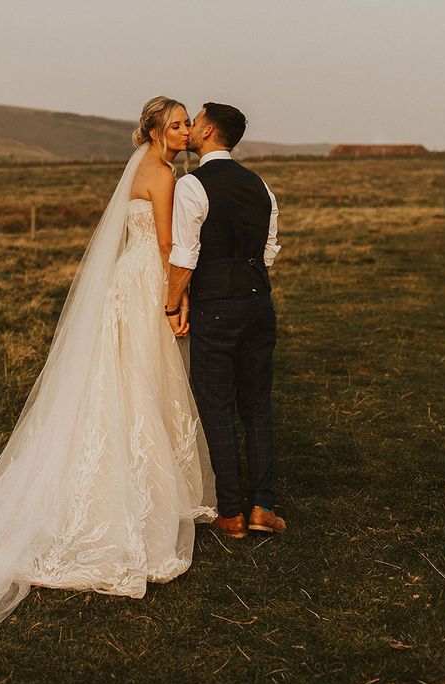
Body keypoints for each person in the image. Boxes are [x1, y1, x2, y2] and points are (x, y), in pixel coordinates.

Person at [0, 97, 216, 633]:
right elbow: (166, 244)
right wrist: (177, 300)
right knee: (143, 380)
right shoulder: (161, 175)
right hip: (147, 281)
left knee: (121, 379)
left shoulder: (140, 167)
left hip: (125, 277)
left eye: (189, 125)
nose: (187, 132)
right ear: (159, 132)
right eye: (180, 125)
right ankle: (137, 494)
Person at [166, 102, 286, 539]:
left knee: (215, 407)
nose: (190, 128)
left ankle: (231, 513)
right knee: (256, 407)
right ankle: (263, 508)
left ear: (210, 130)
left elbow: (184, 256)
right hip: (258, 304)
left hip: (214, 305)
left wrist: (171, 305)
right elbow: (268, 252)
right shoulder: (261, 186)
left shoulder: (191, 185)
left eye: (195, 121)